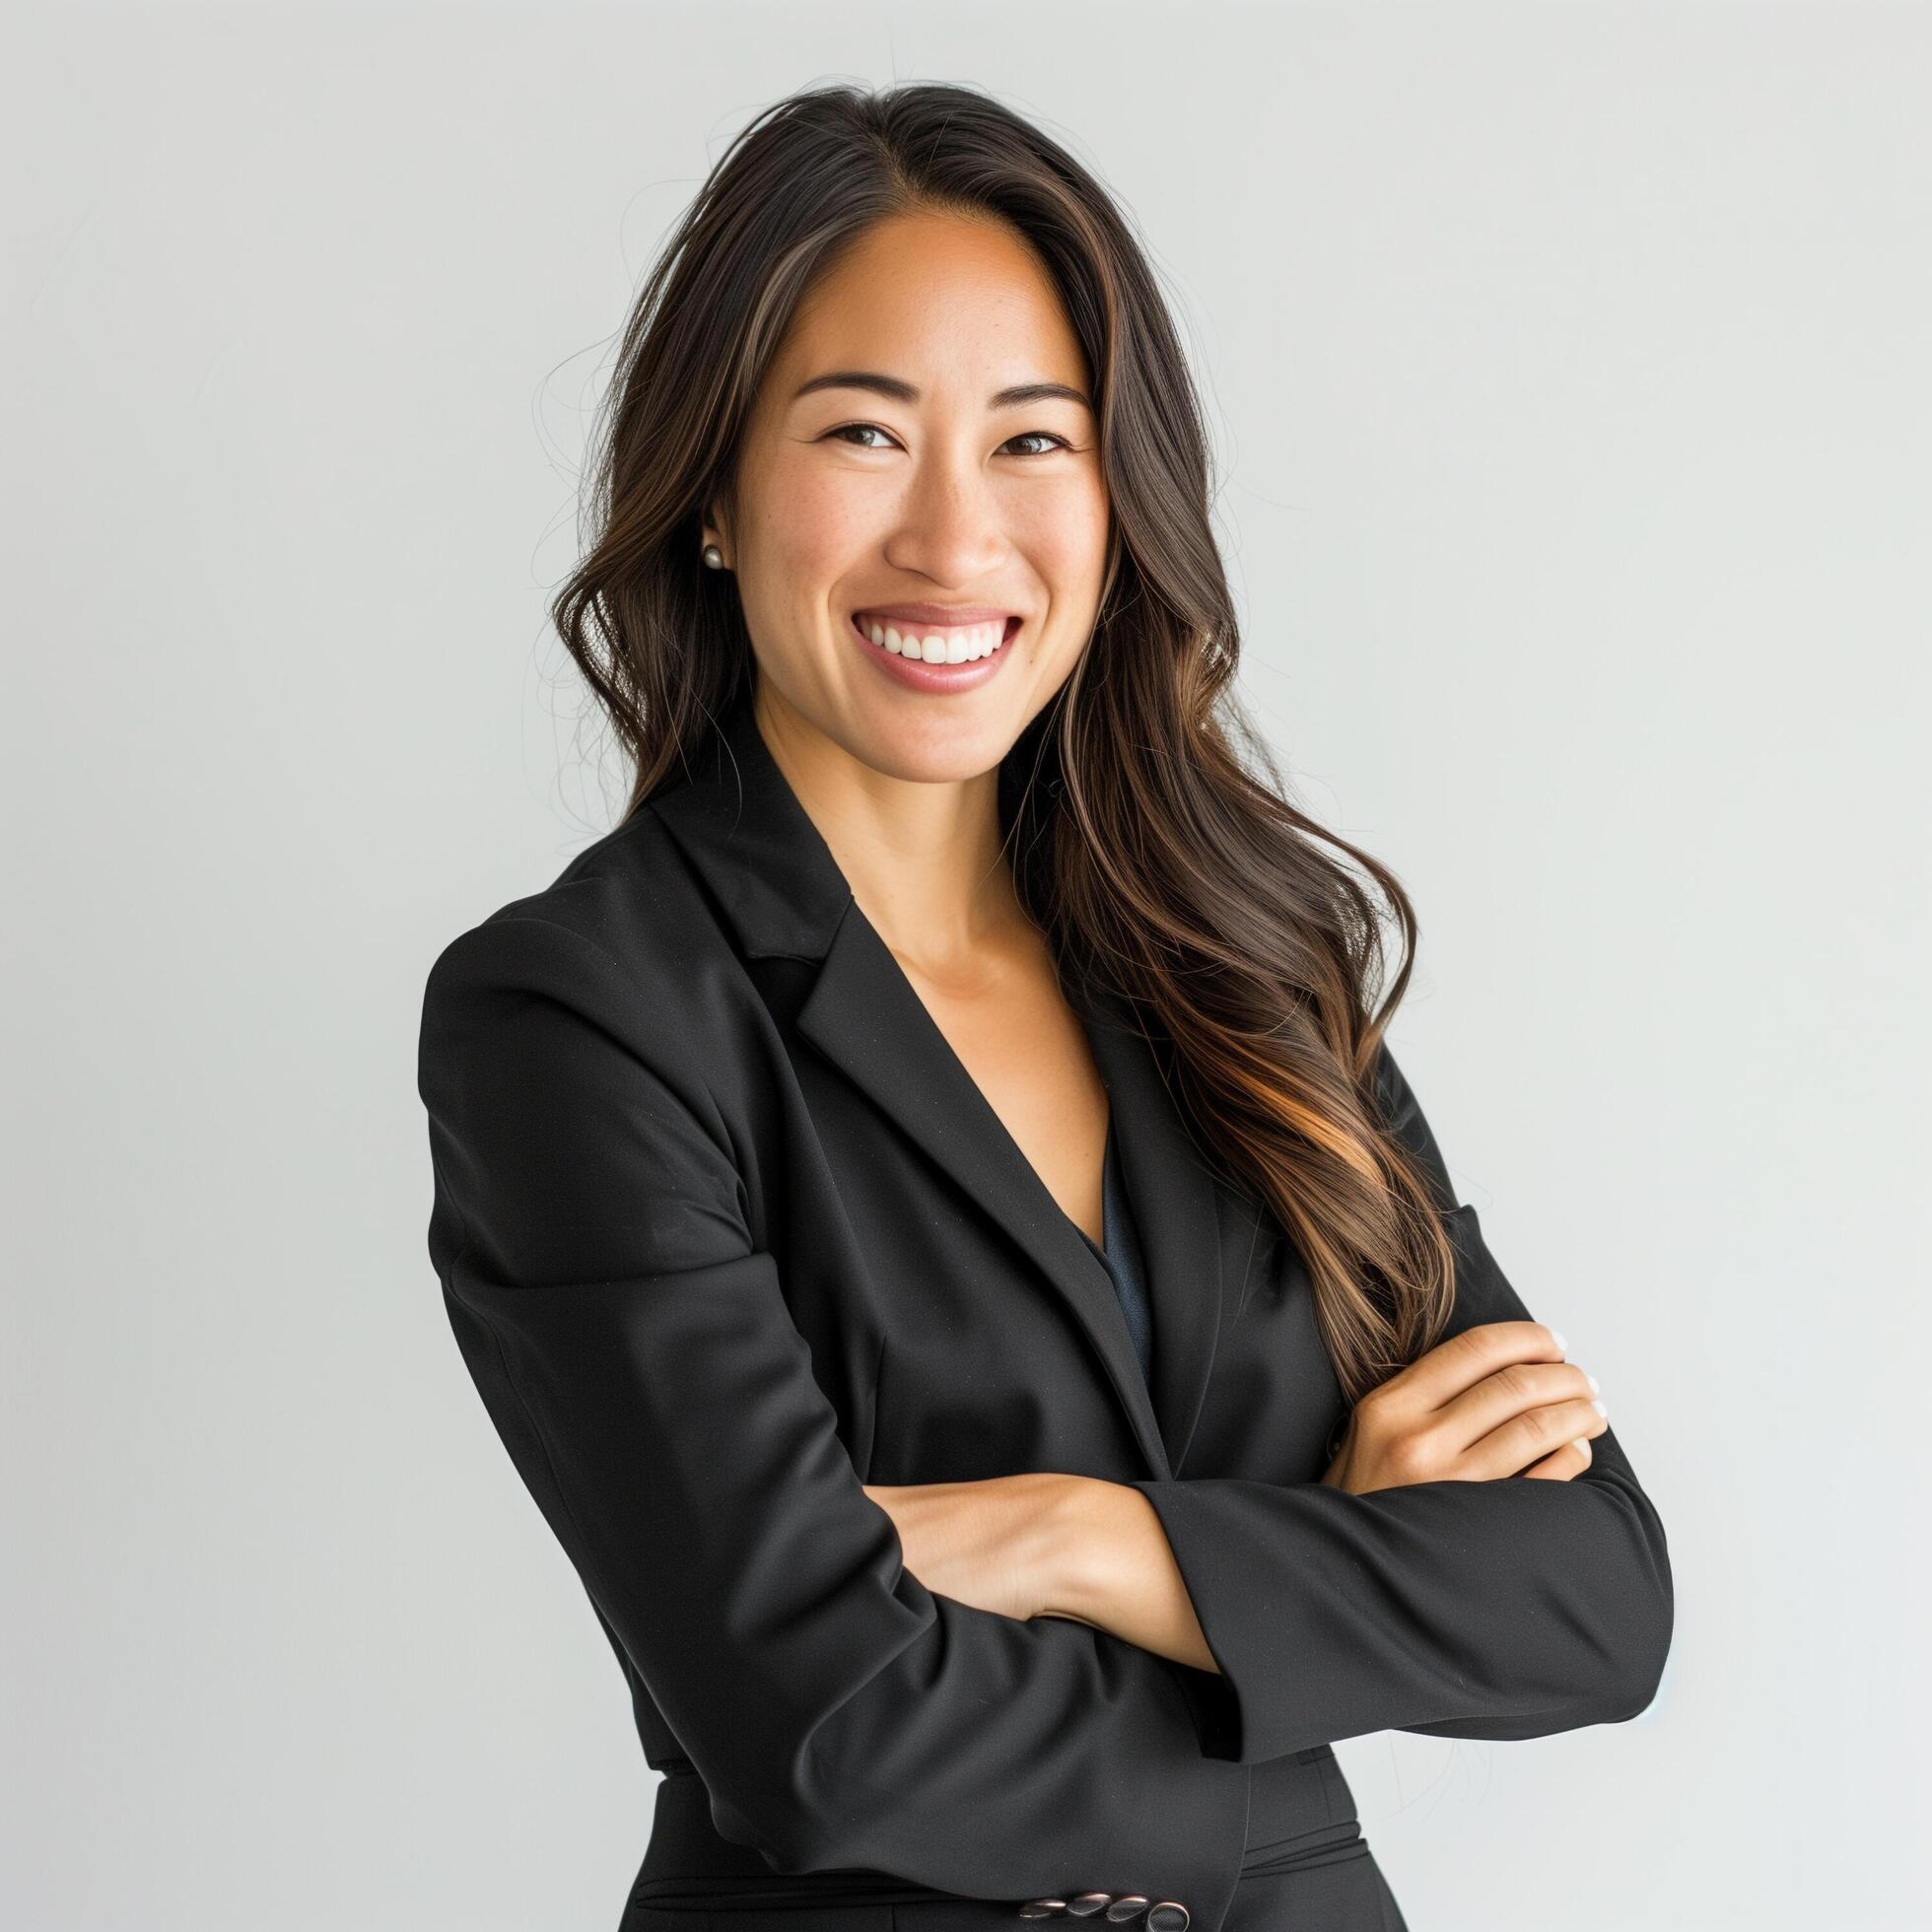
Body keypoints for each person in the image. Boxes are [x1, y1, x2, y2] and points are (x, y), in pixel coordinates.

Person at [415, 81, 1673, 1932]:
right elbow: (826, 1725)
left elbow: (1589, 1594)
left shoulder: (1246, 965)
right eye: (862, 432)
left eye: (1032, 441)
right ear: (709, 494)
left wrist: (1073, 1536)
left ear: (1116, 493)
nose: (954, 536)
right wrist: (1313, 1578)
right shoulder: (583, 1018)